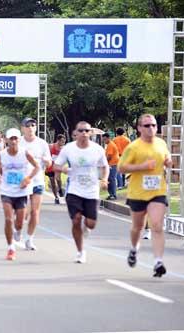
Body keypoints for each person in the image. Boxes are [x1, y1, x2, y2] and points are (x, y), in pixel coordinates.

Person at [118, 114, 172, 278]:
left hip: (158, 192)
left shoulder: (161, 143)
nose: (151, 129)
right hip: (137, 192)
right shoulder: (133, 147)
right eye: (147, 125)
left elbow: (166, 157)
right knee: (138, 227)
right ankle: (134, 249)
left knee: (156, 225)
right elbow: (121, 168)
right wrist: (142, 166)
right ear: (139, 128)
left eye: (154, 125)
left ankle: (158, 262)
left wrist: (168, 162)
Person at [54, 121, 109, 263]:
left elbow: (105, 166)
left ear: (90, 133)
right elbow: (56, 165)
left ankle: (87, 228)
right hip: (74, 189)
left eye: (87, 130)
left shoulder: (97, 149)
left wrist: (104, 179)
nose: (84, 133)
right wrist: (64, 169)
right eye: (81, 130)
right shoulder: (68, 149)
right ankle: (80, 251)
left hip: (91, 191)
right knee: (76, 219)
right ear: (76, 133)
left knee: (91, 223)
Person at [0, 128, 39, 261]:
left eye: (15, 138)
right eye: (11, 139)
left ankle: (17, 231)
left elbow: (37, 167)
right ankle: (10, 248)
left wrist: (28, 178)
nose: (13, 141)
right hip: (7, 191)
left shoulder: (25, 153)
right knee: (8, 219)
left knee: (19, 223)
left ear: (19, 140)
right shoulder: (2, 155)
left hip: (22, 191)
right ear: (6, 140)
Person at [17, 118, 52, 250]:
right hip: (22, 181)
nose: (30, 128)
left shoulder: (42, 143)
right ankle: (18, 229)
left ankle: (29, 239)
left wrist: (47, 161)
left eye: (33, 125)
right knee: (23, 212)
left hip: (37, 181)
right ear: (22, 128)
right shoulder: (18, 142)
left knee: (35, 212)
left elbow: (49, 162)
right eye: (27, 126)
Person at [45, 134, 66, 204]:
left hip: (58, 166)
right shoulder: (51, 146)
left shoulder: (64, 149)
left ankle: (60, 189)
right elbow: (45, 154)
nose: (63, 143)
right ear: (58, 141)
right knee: (53, 182)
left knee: (58, 179)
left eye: (64, 142)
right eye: (62, 141)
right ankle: (56, 197)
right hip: (50, 166)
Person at [102, 133, 120, 200]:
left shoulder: (111, 145)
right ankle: (111, 194)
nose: (104, 141)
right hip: (111, 164)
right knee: (109, 179)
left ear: (108, 138)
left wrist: (105, 163)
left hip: (113, 164)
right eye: (103, 140)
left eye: (105, 139)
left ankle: (113, 194)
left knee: (112, 180)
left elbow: (109, 156)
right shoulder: (109, 145)